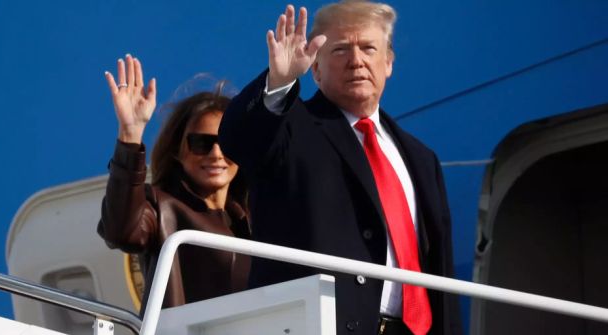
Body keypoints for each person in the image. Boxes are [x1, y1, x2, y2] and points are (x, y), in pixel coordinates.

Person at [219, 2, 461, 335]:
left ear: (388, 63)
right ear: (315, 69)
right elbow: (238, 139)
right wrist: (278, 82)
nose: (357, 60)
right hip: (320, 324)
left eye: (368, 48)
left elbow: (439, 267)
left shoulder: (421, 158)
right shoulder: (290, 127)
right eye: (341, 49)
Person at [97, 54, 250, 313]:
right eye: (201, 143)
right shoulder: (160, 207)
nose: (216, 154)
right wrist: (130, 135)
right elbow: (121, 231)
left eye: (227, 143)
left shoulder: (253, 221)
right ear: (177, 151)